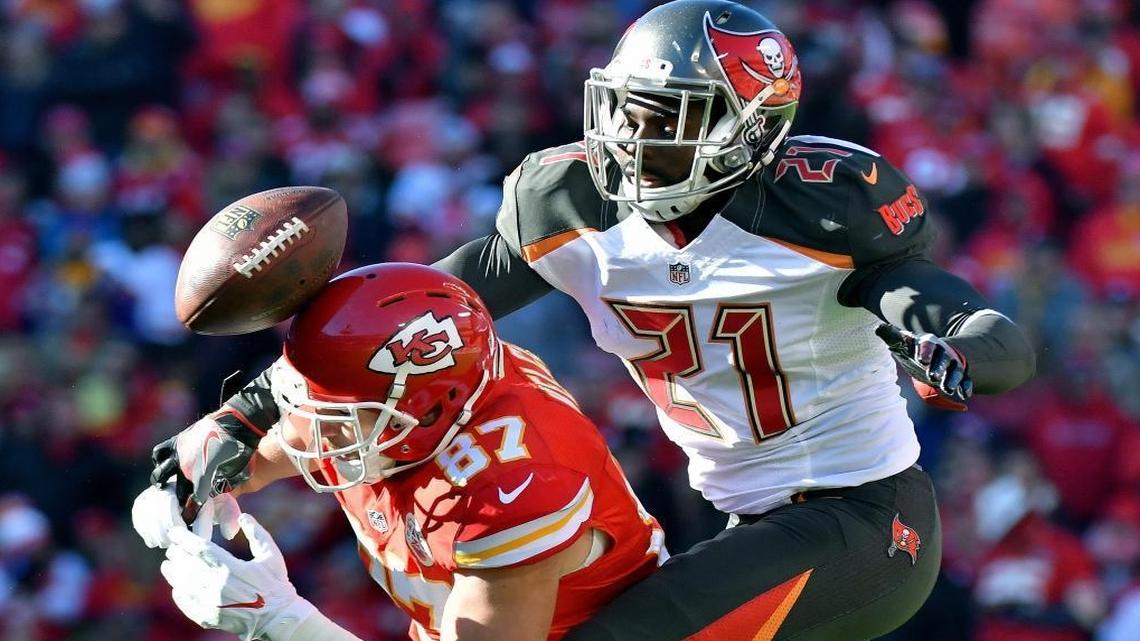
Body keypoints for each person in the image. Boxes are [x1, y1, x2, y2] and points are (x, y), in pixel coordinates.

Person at [150, 1, 1037, 639]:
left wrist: (962, 347)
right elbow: (417, 315)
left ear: (747, 131)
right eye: (622, 106)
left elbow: (966, 322)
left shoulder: (820, 214)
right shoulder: (572, 198)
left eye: (665, 120)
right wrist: (248, 412)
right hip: (737, 515)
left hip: (863, 520)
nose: (626, 136)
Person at [134, 262, 666, 641]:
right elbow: (267, 453)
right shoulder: (402, 404)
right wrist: (187, 484)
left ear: (427, 411)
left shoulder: (509, 494)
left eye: (336, 421)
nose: (313, 435)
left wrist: (283, 624)